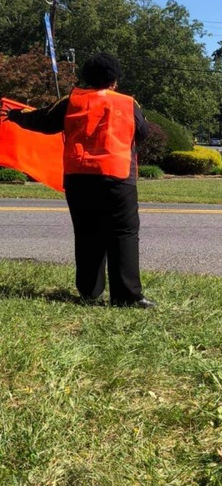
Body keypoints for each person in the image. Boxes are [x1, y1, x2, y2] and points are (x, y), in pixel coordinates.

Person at [0, 53, 156, 309]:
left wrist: (17, 115)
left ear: (86, 77)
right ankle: (127, 296)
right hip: (118, 177)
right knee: (124, 233)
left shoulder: (72, 100)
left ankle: (89, 292)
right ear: (114, 80)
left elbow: (42, 121)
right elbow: (144, 132)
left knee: (87, 233)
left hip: (79, 177)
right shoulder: (129, 103)